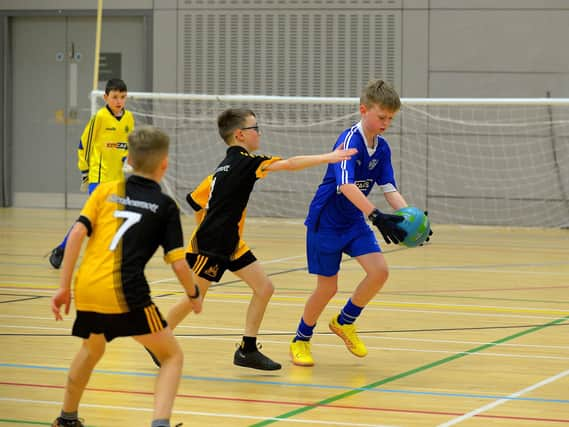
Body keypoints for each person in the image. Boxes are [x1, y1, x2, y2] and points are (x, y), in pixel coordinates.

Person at [157, 108, 357, 371]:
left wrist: (208, 224)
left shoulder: (222, 168)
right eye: (255, 128)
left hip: (231, 243)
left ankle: (247, 350)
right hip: (213, 244)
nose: (259, 132)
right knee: (195, 297)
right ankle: (157, 343)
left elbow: (195, 200)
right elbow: (289, 164)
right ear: (240, 135)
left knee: (264, 288)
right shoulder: (244, 161)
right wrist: (328, 157)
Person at [50, 126, 202, 427]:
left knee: (92, 348)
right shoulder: (165, 206)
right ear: (164, 164)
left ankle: (66, 418)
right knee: (172, 356)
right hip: (125, 293)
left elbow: (78, 233)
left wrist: (63, 287)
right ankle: (160, 423)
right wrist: (194, 294)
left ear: (128, 160)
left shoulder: (106, 190)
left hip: (88, 287)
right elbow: (178, 263)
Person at [289, 79, 415, 366]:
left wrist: (411, 218)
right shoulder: (348, 142)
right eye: (382, 117)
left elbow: (390, 189)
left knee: (379, 271)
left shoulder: (381, 148)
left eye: (390, 119)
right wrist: (376, 216)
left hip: (354, 221)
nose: (386, 123)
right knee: (327, 288)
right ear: (363, 110)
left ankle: (345, 321)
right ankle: (301, 339)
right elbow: (346, 186)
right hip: (326, 222)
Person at [48, 78, 135, 269]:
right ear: (106, 98)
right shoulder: (100, 118)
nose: (118, 101)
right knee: (91, 219)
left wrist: (128, 160)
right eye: (114, 97)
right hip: (98, 177)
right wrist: (85, 172)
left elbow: (127, 145)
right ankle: (62, 250)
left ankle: (105, 257)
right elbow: (83, 146)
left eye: (122, 97)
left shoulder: (129, 118)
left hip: (117, 179)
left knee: (114, 220)